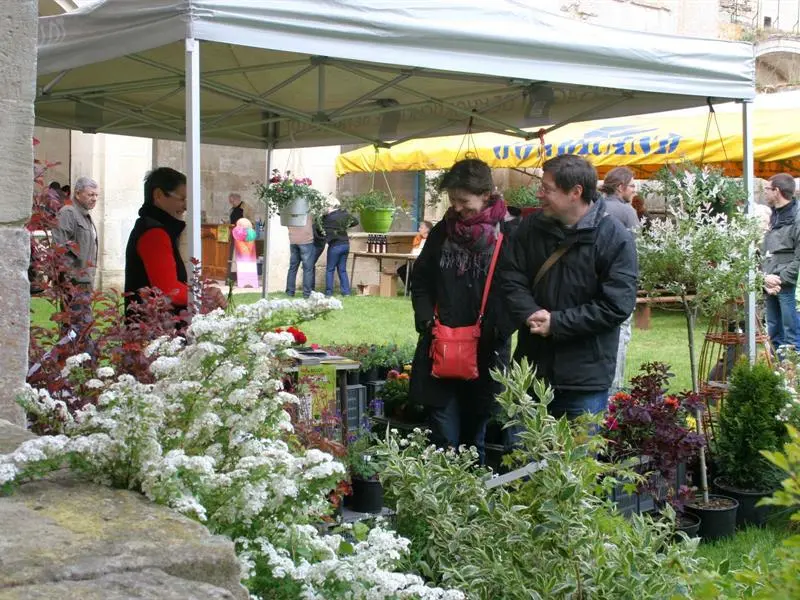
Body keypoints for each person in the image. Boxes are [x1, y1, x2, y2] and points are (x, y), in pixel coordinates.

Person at [499, 154, 638, 420]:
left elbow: (617, 304)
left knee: (576, 460)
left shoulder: (614, 238)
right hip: (530, 371)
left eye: (547, 189)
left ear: (576, 192)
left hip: (584, 380)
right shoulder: (529, 229)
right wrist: (528, 312)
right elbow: (510, 277)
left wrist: (557, 323)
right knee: (520, 458)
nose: (539, 195)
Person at [409, 159, 515, 463]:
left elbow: (516, 288)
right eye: (452, 200)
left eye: (463, 201)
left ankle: (472, 501)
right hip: (441, 345)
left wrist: (499, 328)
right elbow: (421, 278)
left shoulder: (507, 233)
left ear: (486, 195)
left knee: (475, 436)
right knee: (442, 434)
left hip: (486, 351)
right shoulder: (443, 231)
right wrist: (425, 317)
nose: (456, 208)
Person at [125, 167, 226, 318]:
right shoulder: (154, 233)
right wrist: (204, 295)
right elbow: (168, 289)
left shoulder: (155, 228)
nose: (186, 206)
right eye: (182, 199)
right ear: (158, 195)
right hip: (152, 329)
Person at [600, 167, 641, 394]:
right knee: (621, 335)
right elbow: (638, 248)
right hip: (621, 284)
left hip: (597, 283)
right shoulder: (627, 212)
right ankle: (614, 388)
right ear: (620, 187)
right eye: (632, 185)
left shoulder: (597, 206)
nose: (635, 190)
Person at [52, 176, 99, 333]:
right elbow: (59, 247)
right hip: (73, 282)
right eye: (90, 194)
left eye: (96, 195)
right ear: (78, 194)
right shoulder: (68, 213)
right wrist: (67, 279)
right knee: (79, 328)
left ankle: (71, 355)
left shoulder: (85, 215)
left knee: (78, 329)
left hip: (84, 281)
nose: (94, 199)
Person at [762, 173, 800, 351]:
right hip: (770, 281)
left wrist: (781, 278)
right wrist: (765, 278)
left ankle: (795, 376)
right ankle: (780, 374)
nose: (765, 193)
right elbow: (766, 251)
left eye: (767, 189)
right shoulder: (773, 215)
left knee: (791, 335)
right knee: (774, 332)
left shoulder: (797, 217)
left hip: (786, 284)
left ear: (777, 191)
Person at [322, 199, 358, 296]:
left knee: (330, 269)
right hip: (345, 244)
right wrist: (345, 225)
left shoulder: (326, 218)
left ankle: (329, 292)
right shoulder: (344, 215)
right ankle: (346, 292)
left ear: (330, 206)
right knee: (342, 269)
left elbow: (319, 227)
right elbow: (355, 222)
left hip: (335, 246)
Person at [285, 215, 316, 298]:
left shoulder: (290, 209)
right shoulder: (307, 207)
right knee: (308, 269)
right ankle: (307, 294)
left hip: (293, 240)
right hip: (306, 240)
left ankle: (290, 292)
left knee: (293, 268)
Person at [397, 220, 432, 289]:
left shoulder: (433, 238)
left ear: (427, 229)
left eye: (421, 228)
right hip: (415, 260)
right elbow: (414, 249)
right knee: (402, 269)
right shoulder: (418, 238)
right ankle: (410, 289)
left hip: (428, 263)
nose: (419, 229)